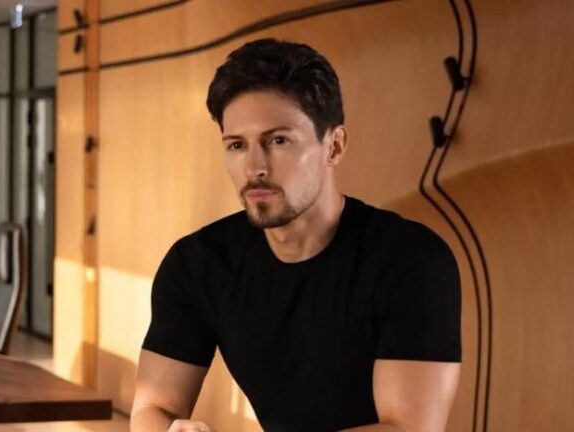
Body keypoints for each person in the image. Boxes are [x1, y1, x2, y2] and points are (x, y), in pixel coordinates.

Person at [130, 38, 461, 432]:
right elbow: (152, 408)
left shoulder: (412, 259)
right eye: (236, 145)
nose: (254, 167)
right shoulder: (198, 264)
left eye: (278, 141)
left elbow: (409, 429)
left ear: (334, 146)